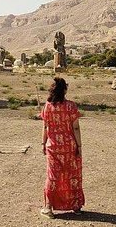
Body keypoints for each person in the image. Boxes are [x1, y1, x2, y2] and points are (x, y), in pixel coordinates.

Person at [40, 77, 84, 218]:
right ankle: (76, 206)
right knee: (73, 175)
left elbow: (45, 127)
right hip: (69, 147)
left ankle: (48, 208)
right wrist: (79, 145)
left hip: (53, 147)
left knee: (53, 176)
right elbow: (75, 127)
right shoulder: (71, 106)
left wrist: (43, 143)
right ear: (64, 90)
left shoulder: (47, 106)